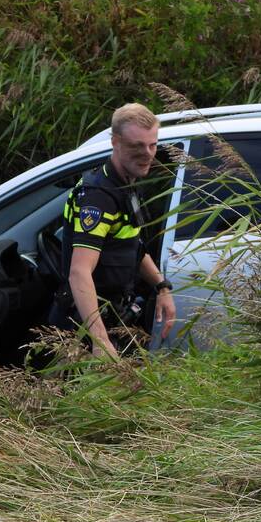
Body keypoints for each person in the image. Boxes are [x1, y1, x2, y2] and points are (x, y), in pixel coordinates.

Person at [48, 103, 176, 359]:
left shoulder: (127, 183)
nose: (148, 154)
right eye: (137, 146)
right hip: (81, 325)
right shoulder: (100, 197)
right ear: (115, 142)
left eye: (152, 145)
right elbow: (79, 272)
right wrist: (100, 341)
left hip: (113, 316)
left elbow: (131, 246)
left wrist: (162, 287)